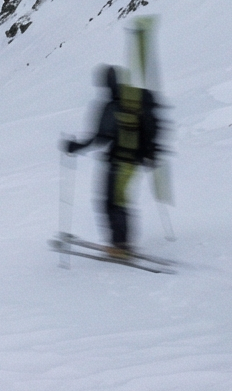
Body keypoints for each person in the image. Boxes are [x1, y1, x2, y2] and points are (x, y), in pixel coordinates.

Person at [65, 65, 164, 255]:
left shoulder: (112, 105)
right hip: (132, 161)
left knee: (113, 202)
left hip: (119, 161)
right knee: (117, 200)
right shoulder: (135, 100)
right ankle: (119, 243)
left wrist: (75, 147)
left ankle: (121, 245)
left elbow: (100, 137)